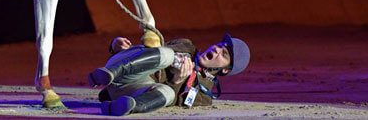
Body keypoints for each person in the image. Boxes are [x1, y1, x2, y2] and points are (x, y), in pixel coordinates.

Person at [87, 34, 250, 116]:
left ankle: (126, 107)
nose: (216, 50)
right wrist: (117, 45)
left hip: (134, 92)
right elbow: (152, 48)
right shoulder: (186, 45)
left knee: (169, 93)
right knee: (166, 54)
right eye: (220, 46)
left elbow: (174, 104)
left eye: (224, 54)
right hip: (122, 72)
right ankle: (110, 73)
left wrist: (176, 81)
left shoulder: (203, 96)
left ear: (225, 69)